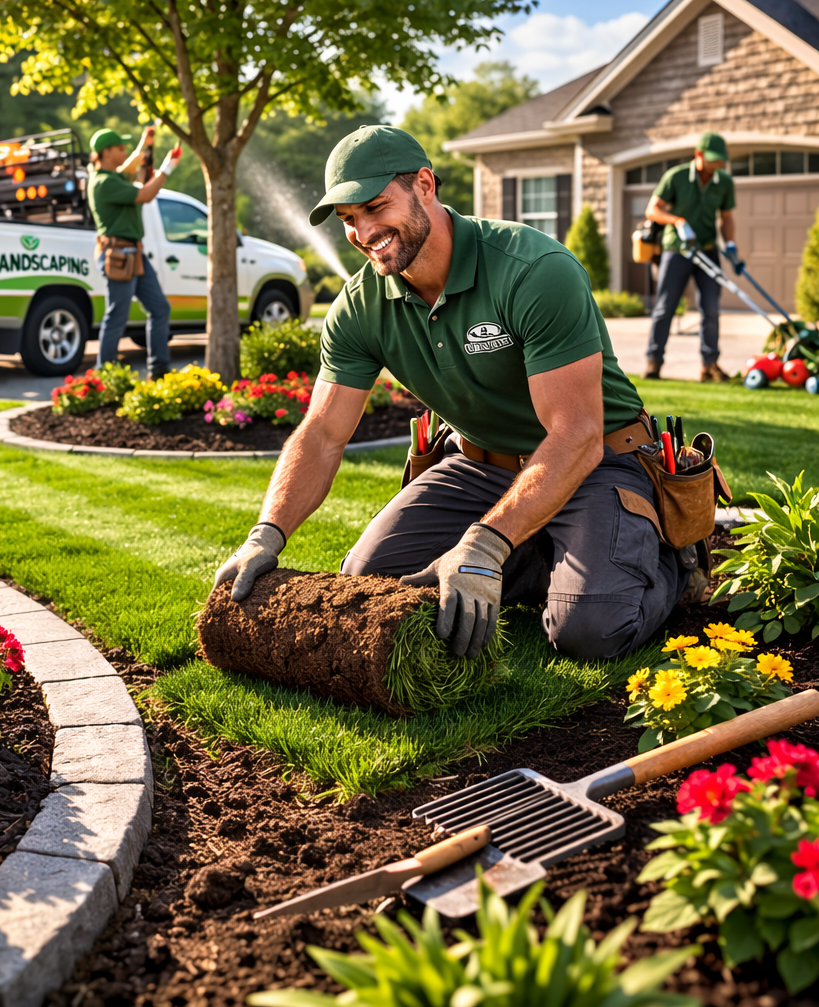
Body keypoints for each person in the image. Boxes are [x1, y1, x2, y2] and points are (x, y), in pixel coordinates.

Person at [214, 125, 692, 662]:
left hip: (598, 461)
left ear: (424, 184)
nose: (363, 231)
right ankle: (537, 548)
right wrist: (267, 534)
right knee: (369, 582)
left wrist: (484, 544)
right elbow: (323, 433)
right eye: (349, 220)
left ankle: (667, 557)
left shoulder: (533, 270)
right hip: (480, 467)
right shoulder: (360, 307)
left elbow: (577, 435)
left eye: (375, 207)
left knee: (591, 628)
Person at [643, 132, 738, 382]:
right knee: (665, 307)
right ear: (699, 155)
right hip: (677, 249)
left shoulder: (724, 182)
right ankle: (653, 362)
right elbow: (652, 209)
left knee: (711, 309)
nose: (719, 164)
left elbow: (726, 218)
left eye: (721, 160)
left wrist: (730, 244)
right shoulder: (676, 177)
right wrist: (677, 221)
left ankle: (710, 365)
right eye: (714, 159)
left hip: (707, 249)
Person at [89, 126, 181, 378]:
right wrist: (168, 167)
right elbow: (146, 194)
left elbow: (132, 165)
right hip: (118, 254)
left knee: (160, 308)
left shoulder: (115, 177)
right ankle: (105, 372)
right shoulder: (104, 183)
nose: (125, 151)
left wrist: (146, 143)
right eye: (120, 148)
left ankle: (159, 370)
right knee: (117, 314)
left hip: (134, 254)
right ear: (105, 152)